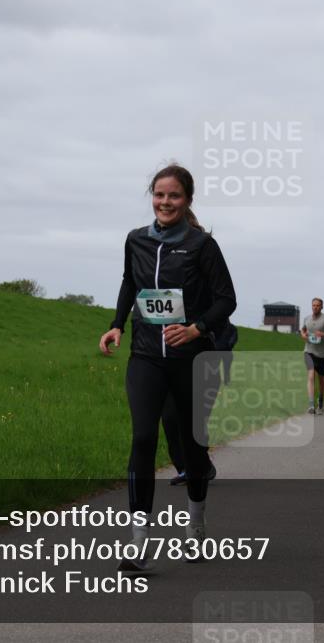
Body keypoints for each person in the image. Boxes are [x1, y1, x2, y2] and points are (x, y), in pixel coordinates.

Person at [99, 164, 236, 571]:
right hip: (145, 356)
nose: (165, 202)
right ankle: (138, 542)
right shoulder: (135, 240)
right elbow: (130, 283)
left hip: (190, 360)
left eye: (174, 196)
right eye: (159, 195)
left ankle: (195, 527)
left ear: (187, 200)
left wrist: (195, 329)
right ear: (151, 197)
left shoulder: (202, 246)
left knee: (192, 447)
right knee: (143, 437)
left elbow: (226, 300)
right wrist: (116, 325)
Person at [166, 320, 234, 485]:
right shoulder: (169, 315)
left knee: (196, 421)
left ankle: (201, 464)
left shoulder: (223, 325)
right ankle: (184, 468)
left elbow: (224, 351)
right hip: (171, 369)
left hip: (205, 372)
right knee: (169, 418)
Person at [300, 297, 324, 415]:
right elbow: (303, 330)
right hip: (309, 351)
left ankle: (320, 401)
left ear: (322, 307)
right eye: (313, 305)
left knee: (321, 380)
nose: (315, 307)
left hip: (322, 354)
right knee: (311, 376)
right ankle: (311, 405)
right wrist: (304, 335)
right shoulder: (306, 318)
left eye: (317, 305)